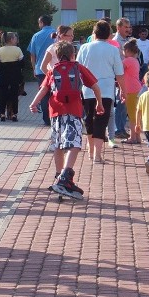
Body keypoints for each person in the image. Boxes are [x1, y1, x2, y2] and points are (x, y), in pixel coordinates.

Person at [29, 41, 102, 199]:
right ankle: (65, 177)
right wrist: (100, 104)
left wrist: (33, 103)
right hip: (73, 110)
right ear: (72, 54)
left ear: (56, 55)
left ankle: (58, 175)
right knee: (74, 144)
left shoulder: (52, 70)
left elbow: (44, 89)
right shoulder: (78, 67)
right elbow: (96, 86)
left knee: (58, 145)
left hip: (55, 112)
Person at [75, 20, 125, 164]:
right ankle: (97, 155)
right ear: (109, 34)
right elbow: (119, 73)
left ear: (94, 33)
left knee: (89, 119)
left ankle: (91, 153)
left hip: (88, 89)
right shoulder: (113, 50)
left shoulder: (84, 47)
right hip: (106, 90)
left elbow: (78, 69)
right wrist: (123, 90)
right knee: (101, 121)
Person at [27, 15, 55, 126]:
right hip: (54, 68)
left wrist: (34, 68)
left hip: (40, 69)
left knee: (44, 94)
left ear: (42, 23)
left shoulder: (36, 36)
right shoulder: (55, 34)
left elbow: (32, 54)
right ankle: (55, 116)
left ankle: (46, 119)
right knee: (55, 94)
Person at [0, 32, 23, 122]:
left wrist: (4, 65)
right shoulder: (18, 50)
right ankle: (14, 114)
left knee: (3, 94)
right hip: (15, 75)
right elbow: (22, 63)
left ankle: (2, 113)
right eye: (15, 38)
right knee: (14, 94)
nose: (16, 40)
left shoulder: (0, 50)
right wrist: (14, 65)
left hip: (3, 75)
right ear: (11, 40)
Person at [121, 39, 143, 143]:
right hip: (136, 88)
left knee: (132, 115)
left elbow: (119, 69)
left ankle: (133, 137)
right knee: (136, 114)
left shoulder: (127, 60)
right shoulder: (135, 60)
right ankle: (137, 137)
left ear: (128, 50)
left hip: (130, 89)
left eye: (123, 50)